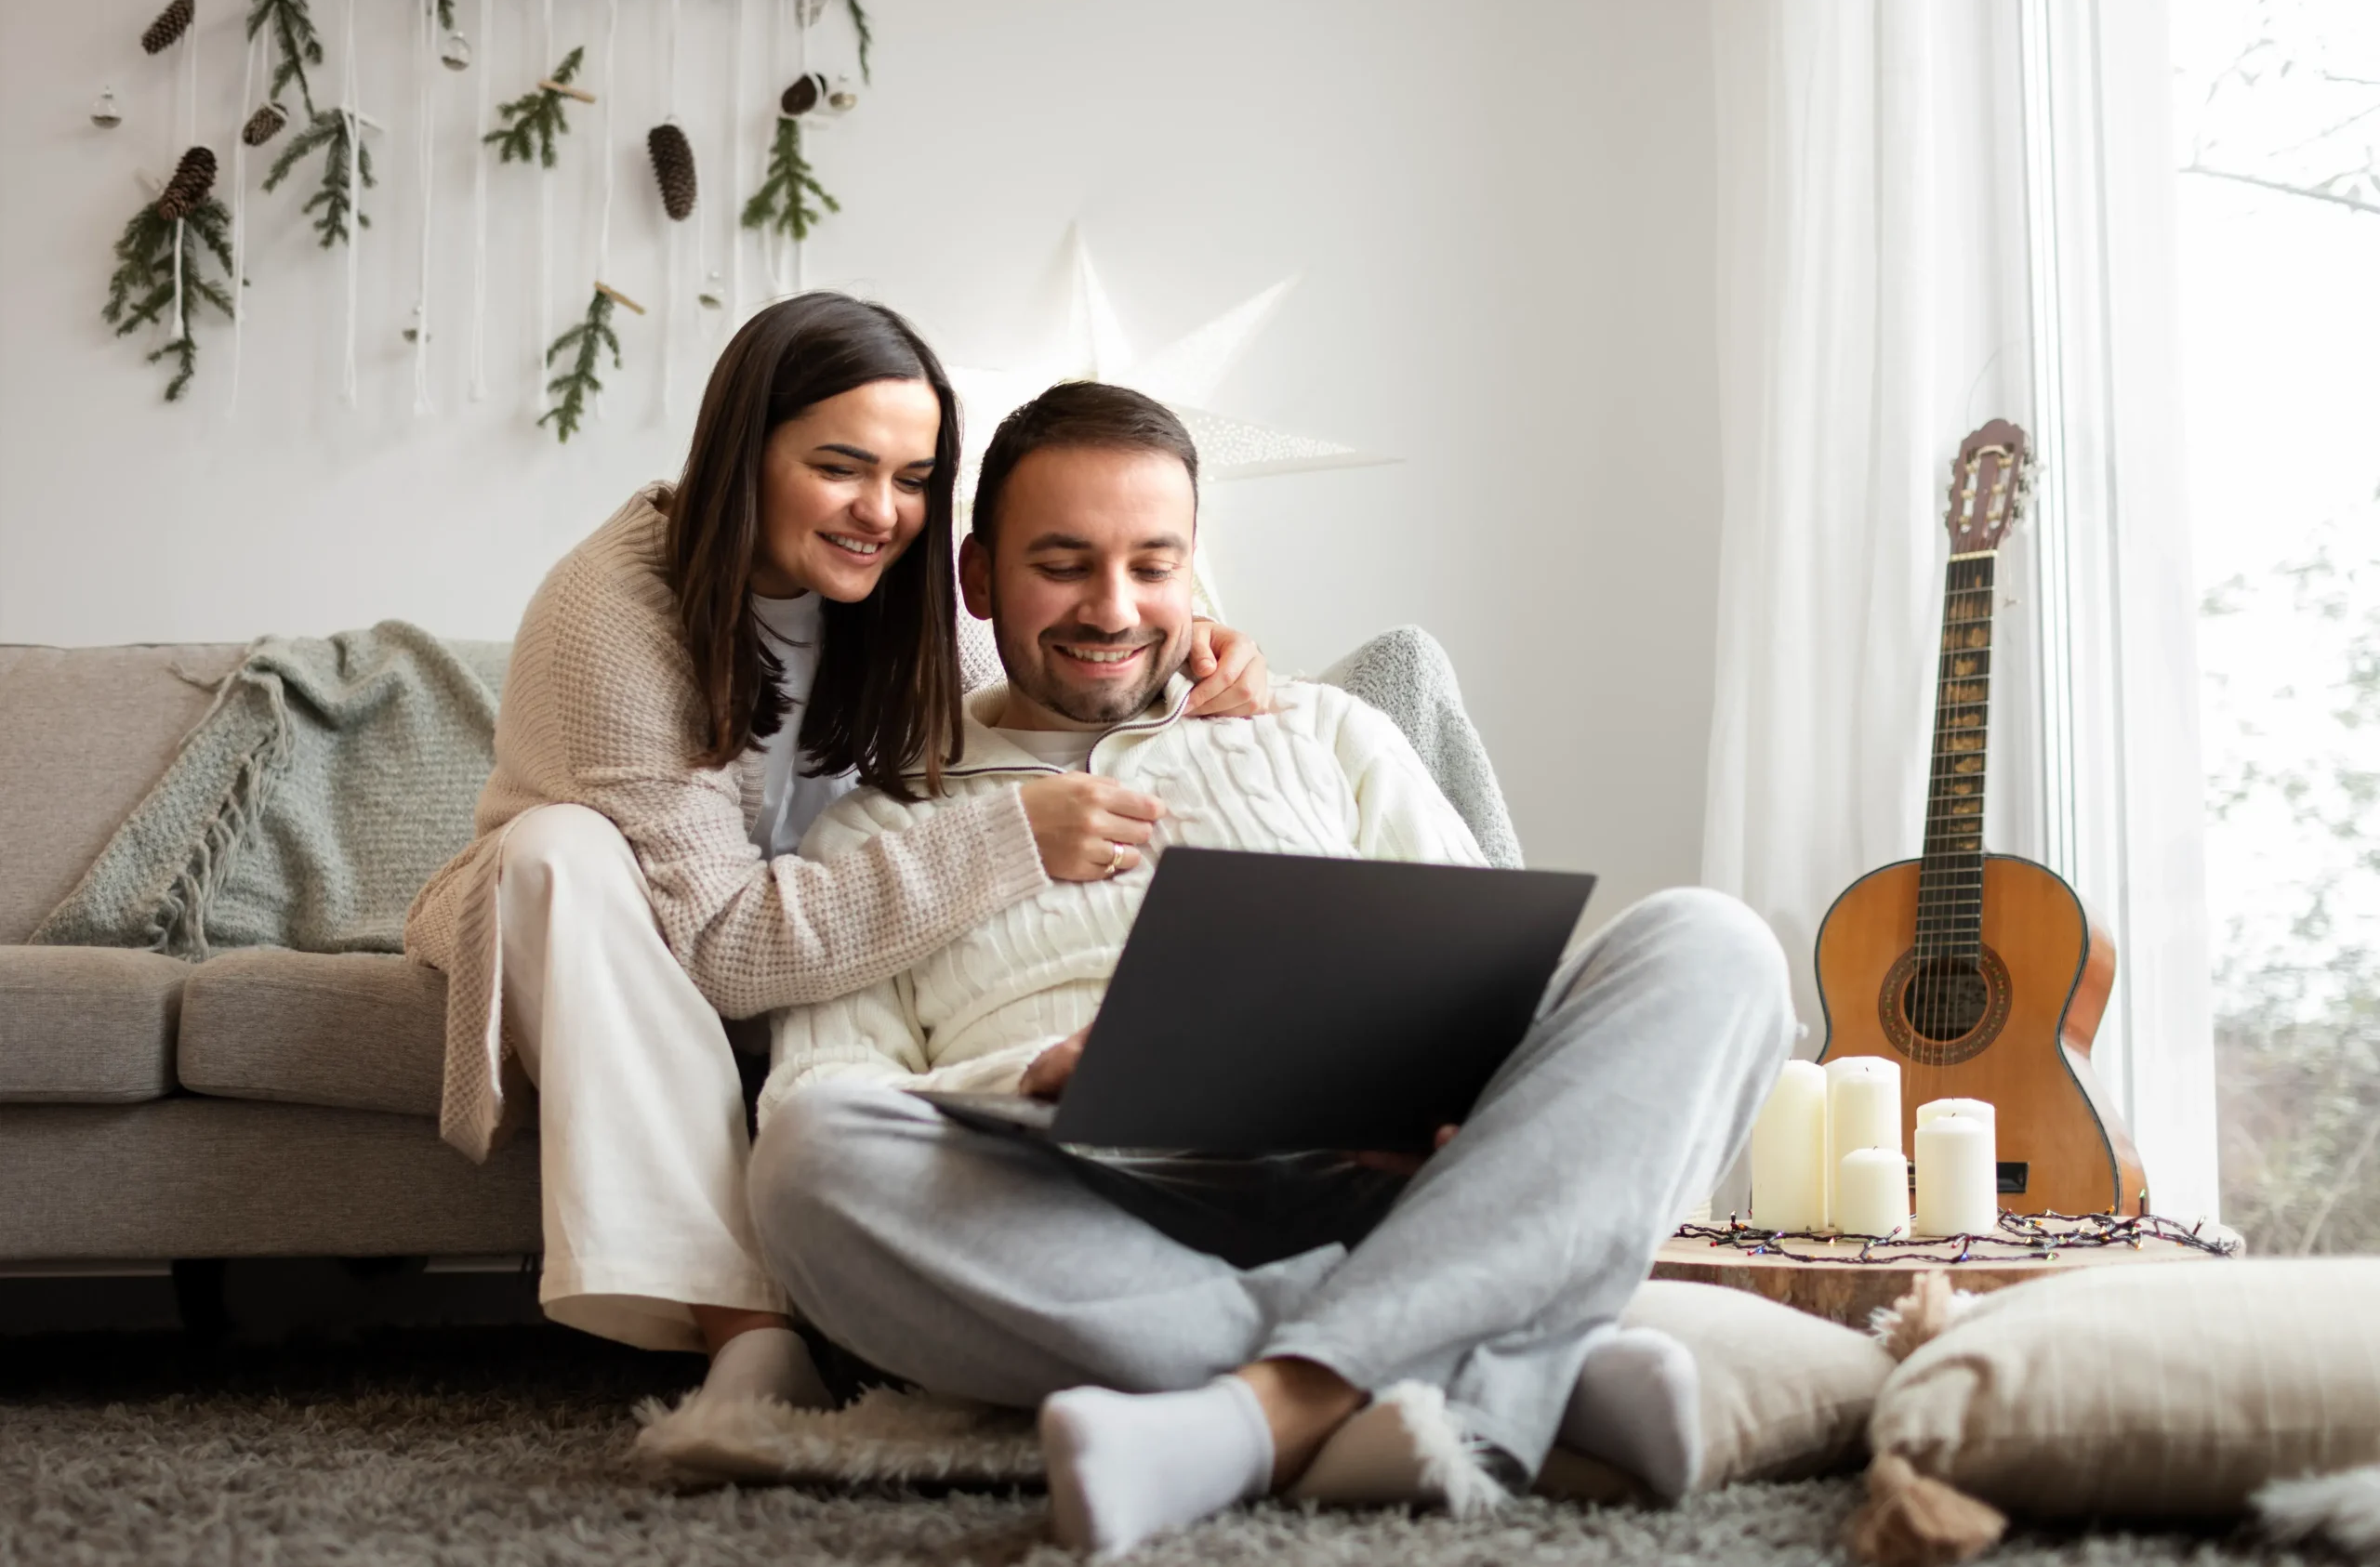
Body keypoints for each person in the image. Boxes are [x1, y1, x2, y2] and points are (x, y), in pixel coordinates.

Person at [743, 381, 1797, 1555]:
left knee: (1718, 946)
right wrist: (1025, 1078)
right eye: (1063, 564)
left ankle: (1262, 1413)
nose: (1112, 607)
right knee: (802, 1167)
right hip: (1084, 1203)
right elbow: (816, 1096)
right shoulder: (881, 824)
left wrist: (1445, 1084)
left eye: (1153, 565)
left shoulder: (1325, 730)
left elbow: (1490, 967)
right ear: (978, 578)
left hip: (1377, 1174)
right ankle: (1503, 1357)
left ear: (1197, 569)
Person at [403, 296, 1273, 1416]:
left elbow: (1048, 681)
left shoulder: (907, 589)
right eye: (841, 468)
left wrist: (1199, 652)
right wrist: (1006, 840)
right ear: (744, 455)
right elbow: (718, 946)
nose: (882, 512)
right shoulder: (611, 612)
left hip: (828, 948)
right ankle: (745, 1327)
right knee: (556, 850)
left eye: (914, 480)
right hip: (640, 947)